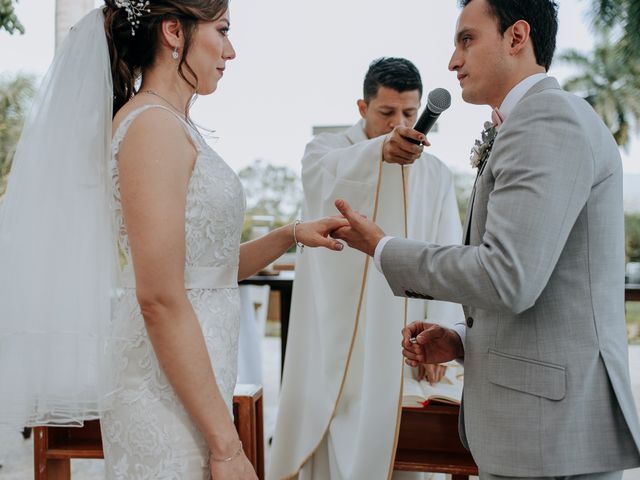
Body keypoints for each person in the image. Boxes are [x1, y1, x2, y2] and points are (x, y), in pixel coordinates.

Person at [0, 1, 348, 479]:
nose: (231, 50)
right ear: (173, 32)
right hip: (161, 390)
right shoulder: (152, 128)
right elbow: (160, 297)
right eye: (222, 31)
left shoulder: (170, 123)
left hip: (191, 381)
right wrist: (227, 445)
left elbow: (203, 270)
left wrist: (289, 235)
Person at [332, 1, 640, 479]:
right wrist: (462, 341)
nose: (453, 60)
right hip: (540, 428)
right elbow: (540, 282)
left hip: (550, 434)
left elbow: (507, 275)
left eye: (467, 40)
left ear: (517, 37)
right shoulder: (529, 121)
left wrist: (384, 247)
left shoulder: (546, 121)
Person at [268, 58, 464, 480]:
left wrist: (443, 332)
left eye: (410, 113)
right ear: (362, 107)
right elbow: (322, 175)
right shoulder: (327, 151)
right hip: (333, 334)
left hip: (402, 334)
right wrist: (378, 152)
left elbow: (449, 251)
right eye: (387, 113)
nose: (401, 123)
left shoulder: (436, 174)